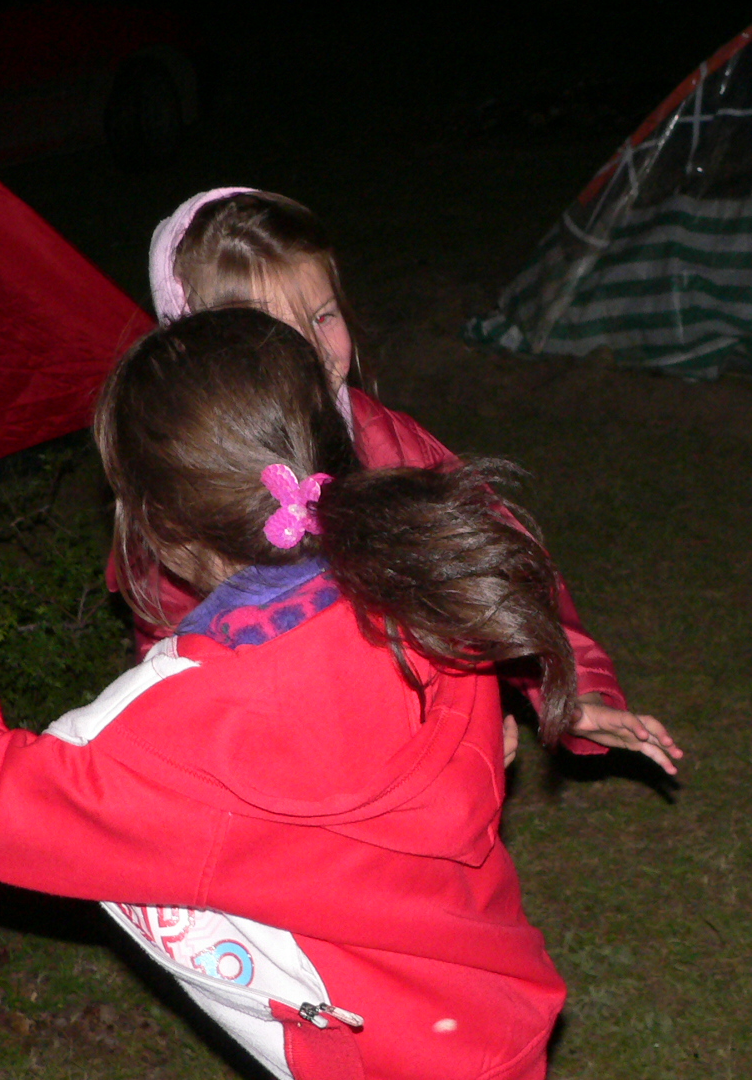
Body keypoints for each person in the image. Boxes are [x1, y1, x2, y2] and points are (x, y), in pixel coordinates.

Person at [0, 309, 586, 1080]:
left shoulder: (179, 732)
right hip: (487, 1016)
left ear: (159, 526)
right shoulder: (423, 584)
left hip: (381, 1078)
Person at [119, 187, 681, 774]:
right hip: (283, 764)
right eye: (276, 334)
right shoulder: (186, 492)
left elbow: (496, 564)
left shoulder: (384, 443)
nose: (314, 351)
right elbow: (178, 668)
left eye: (324, 316)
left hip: (421, 726)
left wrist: (572, 686)